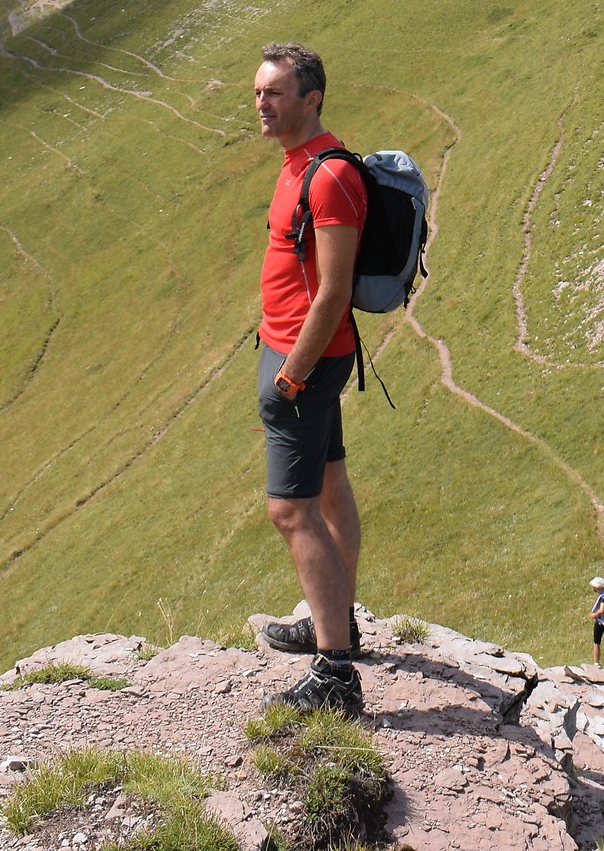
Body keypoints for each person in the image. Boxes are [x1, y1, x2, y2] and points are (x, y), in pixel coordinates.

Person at [252, 42, 368, 716]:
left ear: (311, 97)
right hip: (296, 353)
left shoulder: (328, 177)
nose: (262, 104)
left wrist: (291, 376)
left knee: (290, 510)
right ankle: (336, 622)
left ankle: (337, 674)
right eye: (258, 93)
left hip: (306, 361)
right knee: (328, 486)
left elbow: (334, 291)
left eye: (275, 93)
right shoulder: (297, 164)